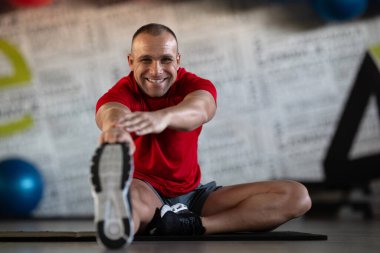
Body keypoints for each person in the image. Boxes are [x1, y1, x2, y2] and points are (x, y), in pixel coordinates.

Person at [90, 23, 312, 249]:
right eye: (146, 60)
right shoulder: (122, 91)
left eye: (165, 60)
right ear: (131, 62)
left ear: (178, 60)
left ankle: (194, 225)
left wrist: (162, 118)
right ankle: (120, 218)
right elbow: (111, 112)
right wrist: (115, 131)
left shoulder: (195, 85)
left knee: (297, 196)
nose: (156, 70)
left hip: (194, 196)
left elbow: (200, 109)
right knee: (132, 199)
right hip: (147, 192)